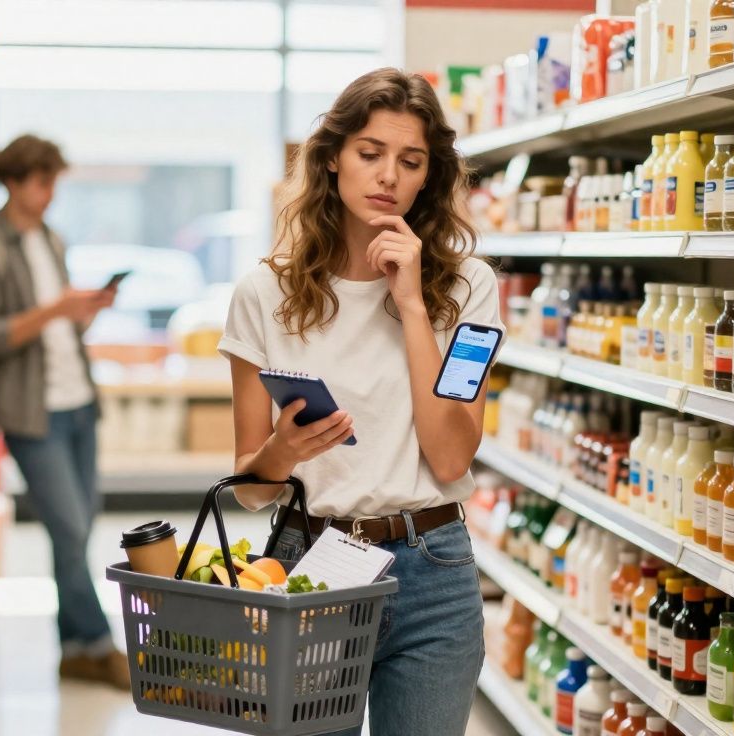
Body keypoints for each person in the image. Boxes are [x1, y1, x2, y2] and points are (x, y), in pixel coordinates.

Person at [218, 68, 501, 734]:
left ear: (429, 176)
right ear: (333, 158)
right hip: (309, 568)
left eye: (410, 162)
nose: (387, 177)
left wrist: (410, 304)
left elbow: (451, 452)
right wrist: (283, 451)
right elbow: (251, 491)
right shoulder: (265, 294)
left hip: (434, 571)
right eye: (369, 153)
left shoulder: (467, 288)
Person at [0, 134, 128, 688]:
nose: (50, 192)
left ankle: (74, 647)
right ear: (12, 182)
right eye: (41, 182)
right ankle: (98, 645)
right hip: (34, 413)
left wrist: (85, 311)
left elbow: (61, 327)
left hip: (78, 401)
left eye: (54, 181)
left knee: (76, 530)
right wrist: (54, 308)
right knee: (71, 525)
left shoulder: (52, 239)